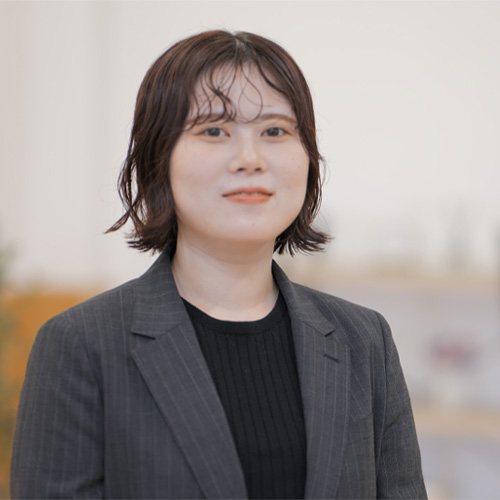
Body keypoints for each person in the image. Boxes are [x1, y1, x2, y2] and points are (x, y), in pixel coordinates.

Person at [10, 30, 427, 499]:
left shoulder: (364, 340)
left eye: (275, 131)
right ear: (159, 158)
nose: (250, 159)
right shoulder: (80, 345)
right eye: (213, 131)